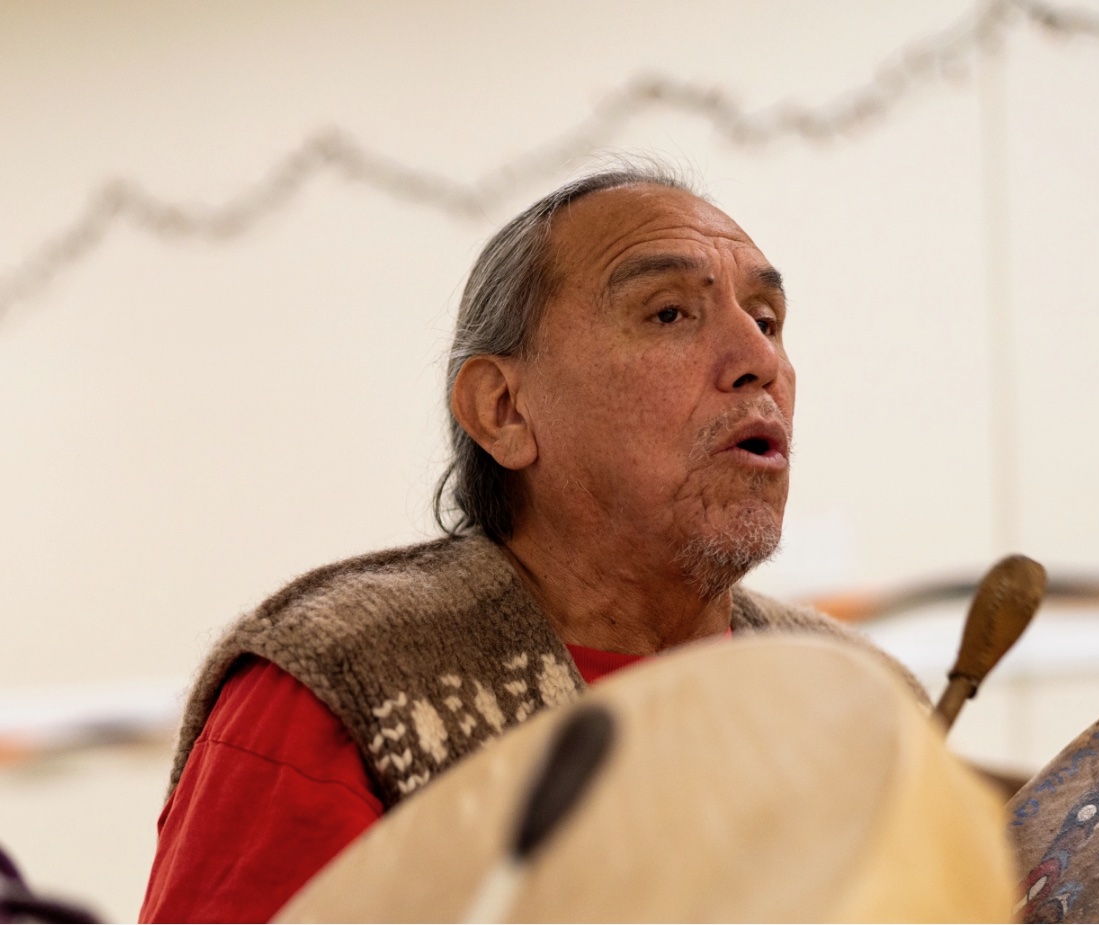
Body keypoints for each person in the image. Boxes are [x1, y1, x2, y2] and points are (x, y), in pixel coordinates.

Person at [139, 165, 925, 923]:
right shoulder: (342, 686)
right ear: (503, 409)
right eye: (668, 313)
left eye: (767, 320)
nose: (759, 362)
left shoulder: (867, 699)